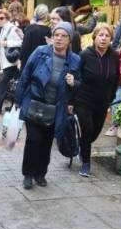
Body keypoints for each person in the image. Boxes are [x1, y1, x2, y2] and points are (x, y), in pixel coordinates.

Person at [15, 22, 80, 189]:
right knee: (33, 140)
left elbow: (80, 85)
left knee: (46, 142)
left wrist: (74, 83)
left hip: (56, 109)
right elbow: (25, 76)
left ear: (69, 40)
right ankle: (28, 174)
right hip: (35, 103)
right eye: (56, 35)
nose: (58, 39)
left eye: (63, 36)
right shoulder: (40, 52)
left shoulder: (75, 60)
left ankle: (40, 173)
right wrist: (18, 100)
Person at [73, 23, 119, 177]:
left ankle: (82, 145)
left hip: (102, 102)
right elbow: (76, 77)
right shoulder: (85, 55)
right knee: (87, 129)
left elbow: (116, 79)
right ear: (94, 37)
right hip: (84, 100)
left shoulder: (114, 56)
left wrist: (111, 98)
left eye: (107, 36)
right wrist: (70, 102)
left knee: (94, 133)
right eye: (101, 35)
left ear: (111, 39)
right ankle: (86, 163)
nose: (103, 39)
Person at [0, 9, 22, 114]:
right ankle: (13, 106)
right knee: (10, 84)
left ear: (7, 18)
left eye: (2, 18)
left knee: (4, 83)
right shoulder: (0, 29)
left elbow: (21, 41)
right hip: (4, 61)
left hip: (11, 61)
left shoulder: (12, 28)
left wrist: (8, 43)